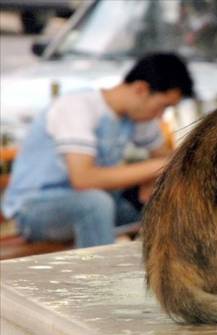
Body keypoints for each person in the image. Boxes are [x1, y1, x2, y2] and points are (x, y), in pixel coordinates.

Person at [1, 53, 194, 248]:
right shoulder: (77, 107)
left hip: (97, 202)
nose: (161, 116)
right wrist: (158, 167)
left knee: (162, 206)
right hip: (35, 209)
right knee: (95, 204)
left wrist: (155, 179)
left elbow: (169, 162)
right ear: (141, 89)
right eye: (163, 106)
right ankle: (99, 276)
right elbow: (83, 179)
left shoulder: (138, 116)